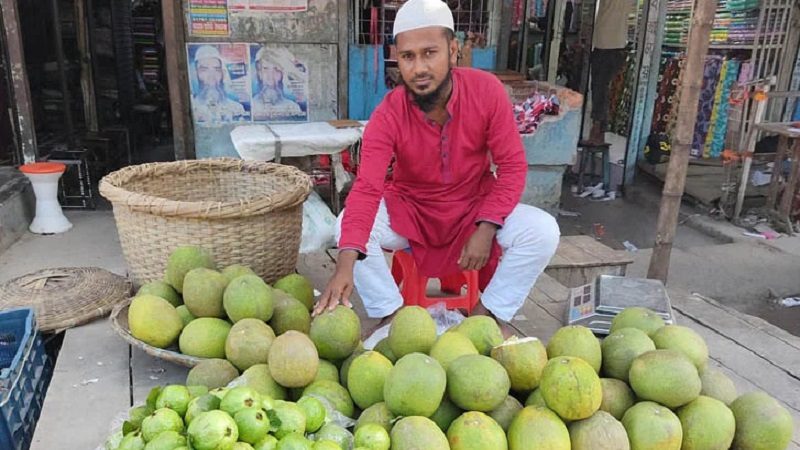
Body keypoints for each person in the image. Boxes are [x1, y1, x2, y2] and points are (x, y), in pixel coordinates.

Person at [314, 0, 560, 338]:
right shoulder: (388, 113)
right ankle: (393, 316)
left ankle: (486, 316)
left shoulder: (487, 92)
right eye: (408, 57)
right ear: (397, 59)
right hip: (411, 212)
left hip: (474, 209)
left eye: (430, 53)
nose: (419, 68)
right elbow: (367, 189)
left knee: (543, 230)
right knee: (347, 228)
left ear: (453, 50)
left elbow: (513, 167)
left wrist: (486, 228)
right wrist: (345, 265)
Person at [587, 0, 633, 144]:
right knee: (601, 88)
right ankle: (599, 126)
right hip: (612, 44)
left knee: (600, 88)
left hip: (607, 45)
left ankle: (598, 127)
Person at [190, 45, 246, 124]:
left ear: (222, 74)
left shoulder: (236, 108)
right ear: (196, 74)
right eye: (204, 70)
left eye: (217, 69)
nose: (211, 77)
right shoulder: (191, 107)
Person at [252, 47, 304, 122]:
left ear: (282, 74)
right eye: (265, 69)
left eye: (276, 70)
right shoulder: (253, 106)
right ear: (259, 73)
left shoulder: (293, 107)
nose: (270, 77)